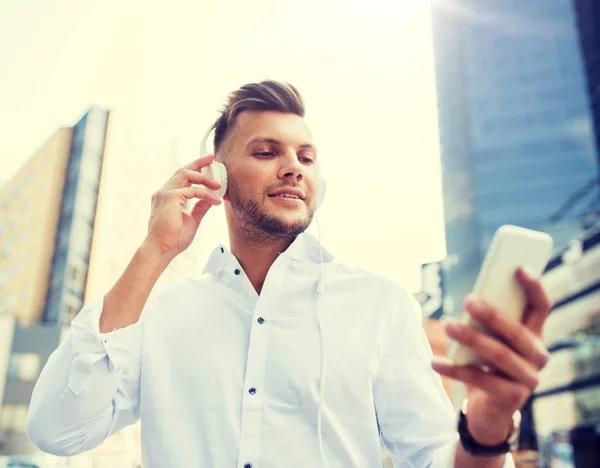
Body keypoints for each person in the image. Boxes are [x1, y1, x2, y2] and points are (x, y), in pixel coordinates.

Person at [26, 81, 551, 467]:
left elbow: (436, 457)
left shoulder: (380, 304)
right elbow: (57, 429)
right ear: (216, 178)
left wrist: (483, 432)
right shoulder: (161, 315)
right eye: (266, 151)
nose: (294, 166)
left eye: (306, 155)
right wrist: (156, 249)